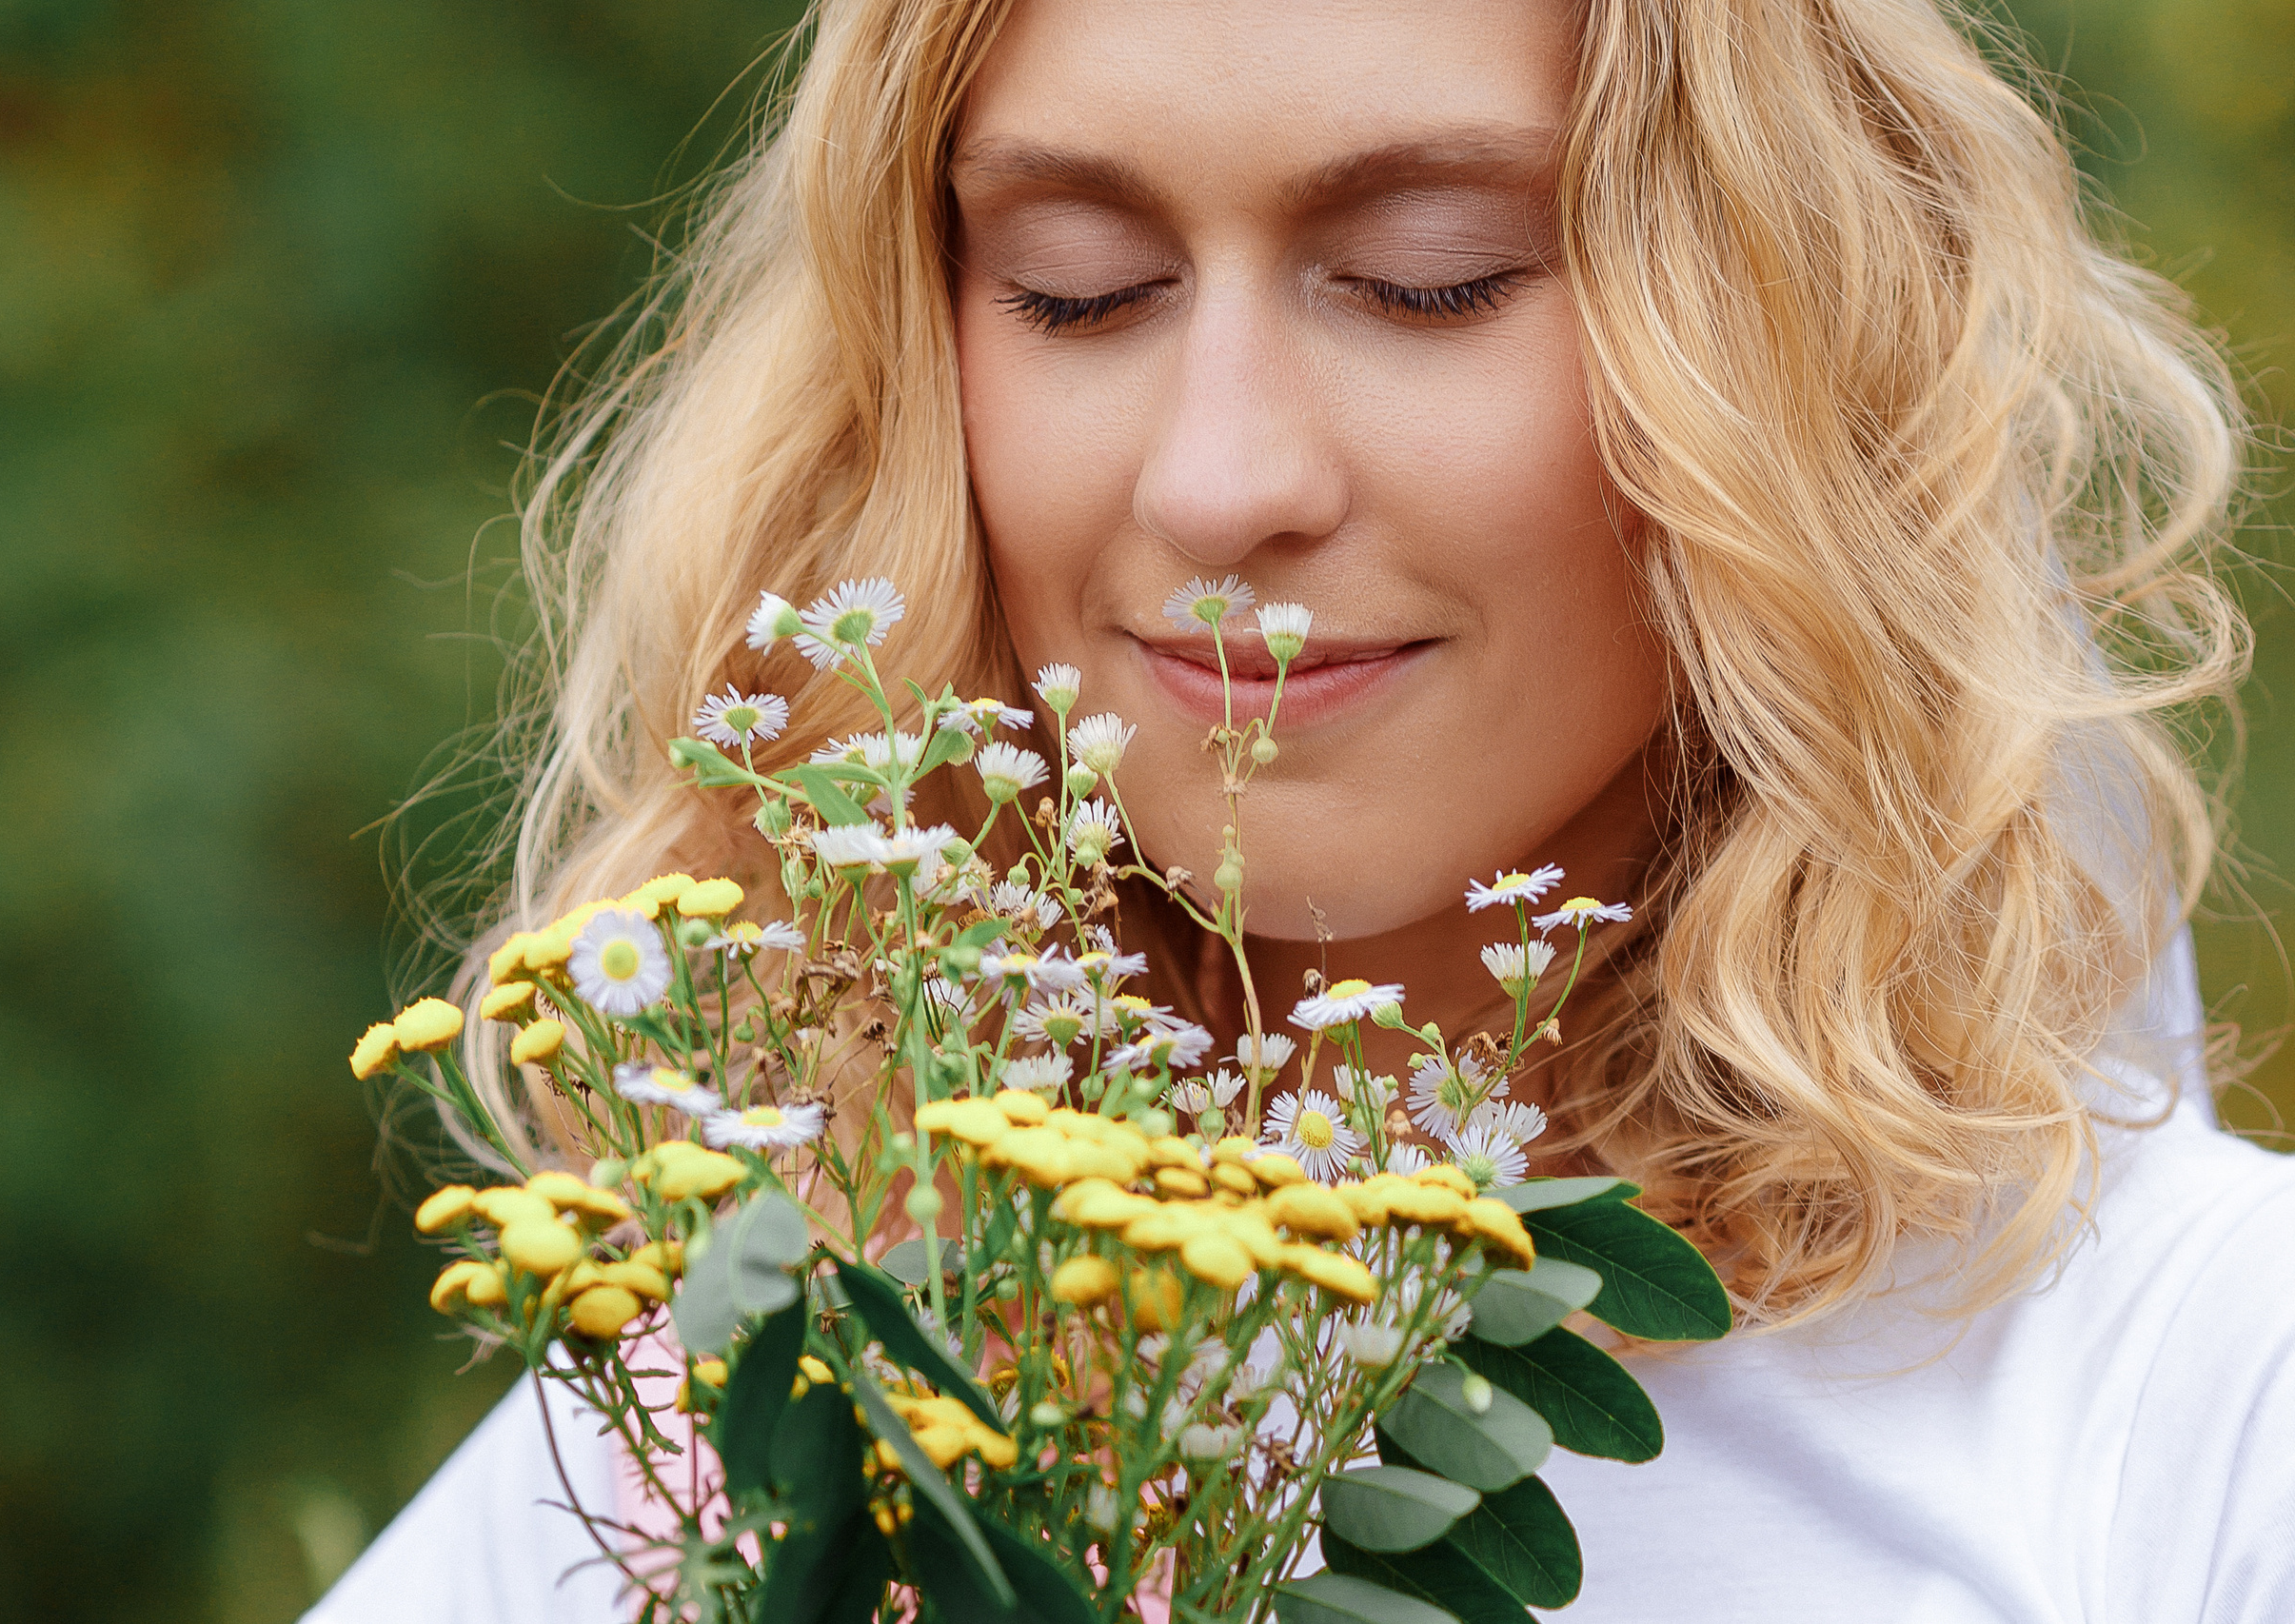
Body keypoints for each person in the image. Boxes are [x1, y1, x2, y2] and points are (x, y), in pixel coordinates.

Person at [307, 0, 2295, 1619]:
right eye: (1077, 290)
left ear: (1773, 341)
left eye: (1426, 280)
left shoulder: (2193, 1401)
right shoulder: (771, 1419)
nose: (1220, 477)